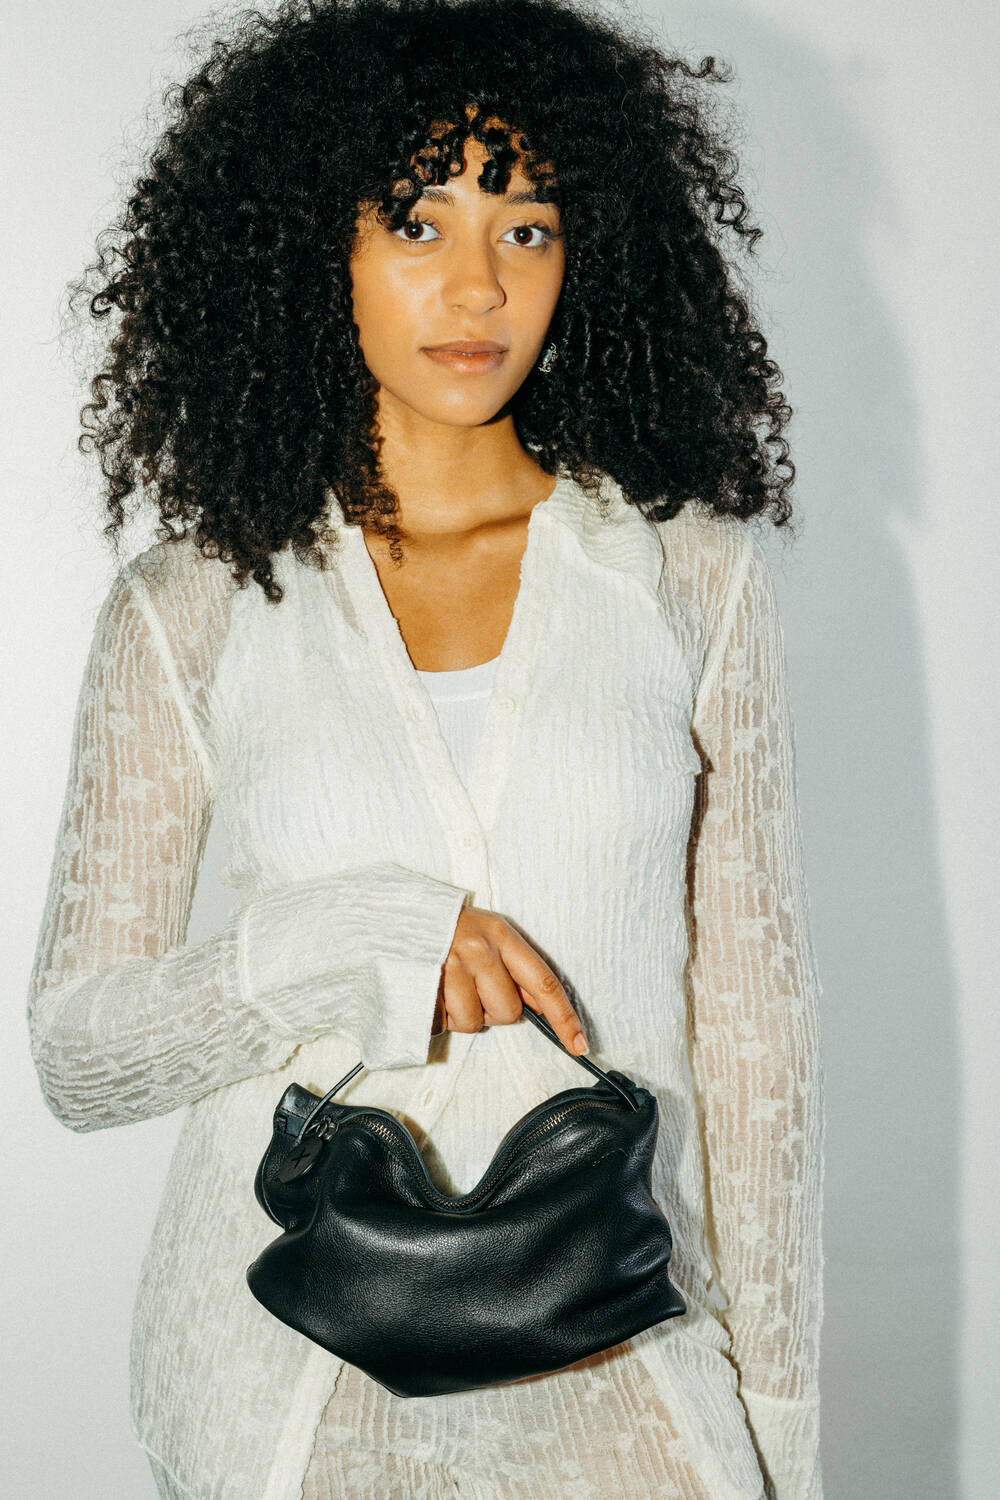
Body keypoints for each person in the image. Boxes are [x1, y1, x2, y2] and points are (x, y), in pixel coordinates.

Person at [26, 0, 826, 1496]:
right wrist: (357, 938)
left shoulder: (687, 578)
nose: (478, 285)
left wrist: (779, 1432)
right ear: (307, 246)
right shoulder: (192, 607)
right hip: (283, 1403)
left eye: (527, 228)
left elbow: (761, 1044)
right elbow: (79, 1056)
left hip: (627, 1391)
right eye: (417, 222)